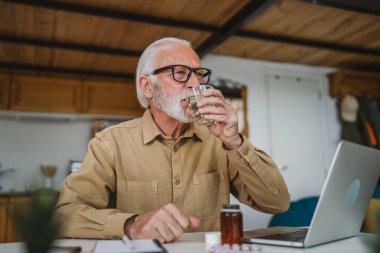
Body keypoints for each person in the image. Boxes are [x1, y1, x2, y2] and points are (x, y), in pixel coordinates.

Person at [55, 37, 290, 243]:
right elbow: (64, 216)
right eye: (180, 73)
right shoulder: (110, 143)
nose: (195, 84)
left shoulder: (218, 140)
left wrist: (235, 141)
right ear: (148, 86)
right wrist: (130, 224)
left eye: (199, 75)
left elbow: (277, 203)